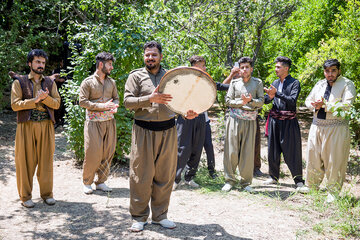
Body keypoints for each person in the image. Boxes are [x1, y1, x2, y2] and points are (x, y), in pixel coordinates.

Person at [124, 41, 197, 232]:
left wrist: (186, 113)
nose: (150, 58)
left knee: (165, 175)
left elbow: (180, 102)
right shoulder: (136, 76)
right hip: (143, 131)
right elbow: (127, 102)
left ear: (160, 57)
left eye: (154, 55)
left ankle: (160, 215)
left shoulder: (171, 77)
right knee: (141, 175)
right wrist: (150, 98)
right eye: (147, 55)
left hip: (168, 130)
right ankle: (139, 217)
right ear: (144, 57)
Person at [10, 49, 60, 208]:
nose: (41, 65)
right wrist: (35, 100)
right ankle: (25, 196)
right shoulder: (19, 81)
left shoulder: (50, 83)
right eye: (38, 62)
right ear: (30, 63)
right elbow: (15, 105)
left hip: (46, 126)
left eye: (43, 63)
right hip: (26, 126)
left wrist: (45, 99)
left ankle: (47, 194)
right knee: (25, 162)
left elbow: (57, 104)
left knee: (46, 161)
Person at [304, 59, 356, 202]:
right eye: (327, 71)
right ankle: (312, 187)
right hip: (317, 125)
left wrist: (325, 106)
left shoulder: (347, 84)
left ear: (339, 70)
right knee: (313, 156)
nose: (330, 74)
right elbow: (308, 100)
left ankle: (333, 192)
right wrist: (313, 105)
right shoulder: (320, 84)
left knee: (335, 160)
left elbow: (346, 106)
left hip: (336, 127)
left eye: (333, 70)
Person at [263, 56, 307, 192]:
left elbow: (292, 101)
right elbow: (267, 101)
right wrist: (269, 97)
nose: (275, 69)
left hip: (289, 122)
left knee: (292, 151)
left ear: (286, 68)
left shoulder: (294, 83)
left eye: (278, 67)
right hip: (274, 121)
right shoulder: (275, 83)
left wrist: (277, 94)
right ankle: (273, 177)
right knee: (273, 150)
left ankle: (298, 180)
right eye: (275, 67)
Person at [79, 52, 119, 194]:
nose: (111, 67)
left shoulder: (112, 82)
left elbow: (116, 98)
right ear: (101, 64)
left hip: (109, 122)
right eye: (109, 64)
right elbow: (82, 102)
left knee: (108, 152)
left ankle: (101, 182)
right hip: (93, 123)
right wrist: (101, 106)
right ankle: (87, 182)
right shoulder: (88, 82)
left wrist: (114, 106)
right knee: (92, 153)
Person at [222, 57, 264, 192]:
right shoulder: (234, 83)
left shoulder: (257, 83)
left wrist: (250, 101)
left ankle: (246, 183)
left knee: (247, 151)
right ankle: (229, 180)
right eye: (242, 67)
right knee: (231, 150)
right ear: (239, 69)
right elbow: (228, 101)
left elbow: (261, 101)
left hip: (250, 121)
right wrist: (242, 102)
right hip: (234, 120)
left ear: (251, 69)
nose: (244, 69)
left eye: (247, 67)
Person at [173, 56, 207, 189]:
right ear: (193, 67)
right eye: (200, 65)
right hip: (185, 118)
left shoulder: (207, 81)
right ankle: (175, 179)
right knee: (182, 148)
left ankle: (189, 177)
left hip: (200, 117)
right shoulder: (184, 80)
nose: (203, 68)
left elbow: (217, 88)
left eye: (204, 65)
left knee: (197, 148)